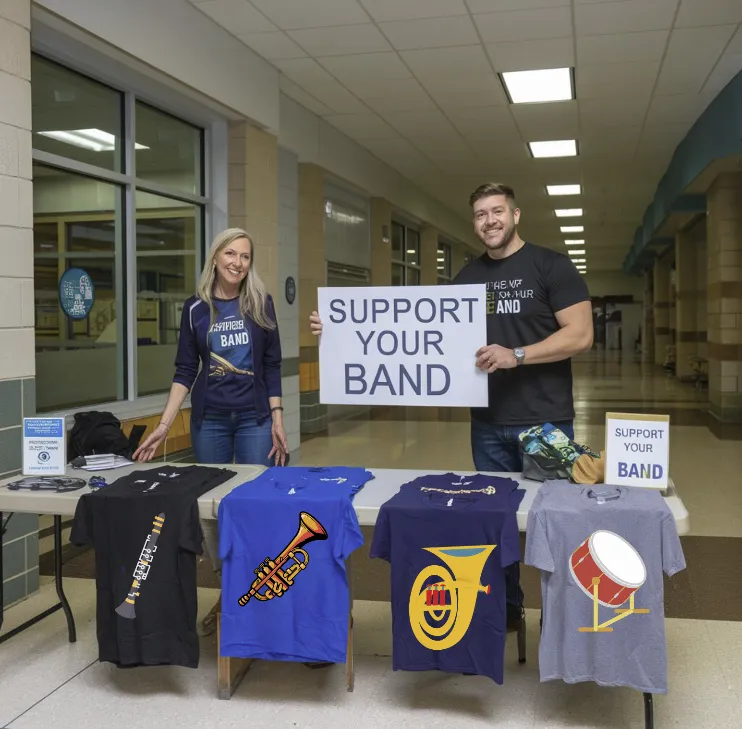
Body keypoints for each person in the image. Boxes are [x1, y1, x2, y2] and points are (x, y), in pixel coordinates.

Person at [308, 182, 593, 631]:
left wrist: (516, 355)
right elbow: (412, 329)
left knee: (557, 519)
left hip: (545, 423)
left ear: (516, 215)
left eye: (497, 211)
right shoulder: (466, 278)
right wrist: (340, 325)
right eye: (481, 214)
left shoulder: (551, 266)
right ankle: (511, 606)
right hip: (488, 424)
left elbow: (579, 334)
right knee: (495, 522)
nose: (490, 221)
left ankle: (567, 611)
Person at [133, 226, 288, 634]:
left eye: (246, 256)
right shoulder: (195, 310)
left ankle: (255, 593)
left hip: (254, 421)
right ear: (216, 257)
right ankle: (230, 593)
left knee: (254, 505)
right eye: (231, 254)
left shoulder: (261, 304)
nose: (238, 263)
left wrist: (277, 418)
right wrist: (165, 425)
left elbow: (272, 364)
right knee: (214, 513)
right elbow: (186, 370)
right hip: (211, 422)